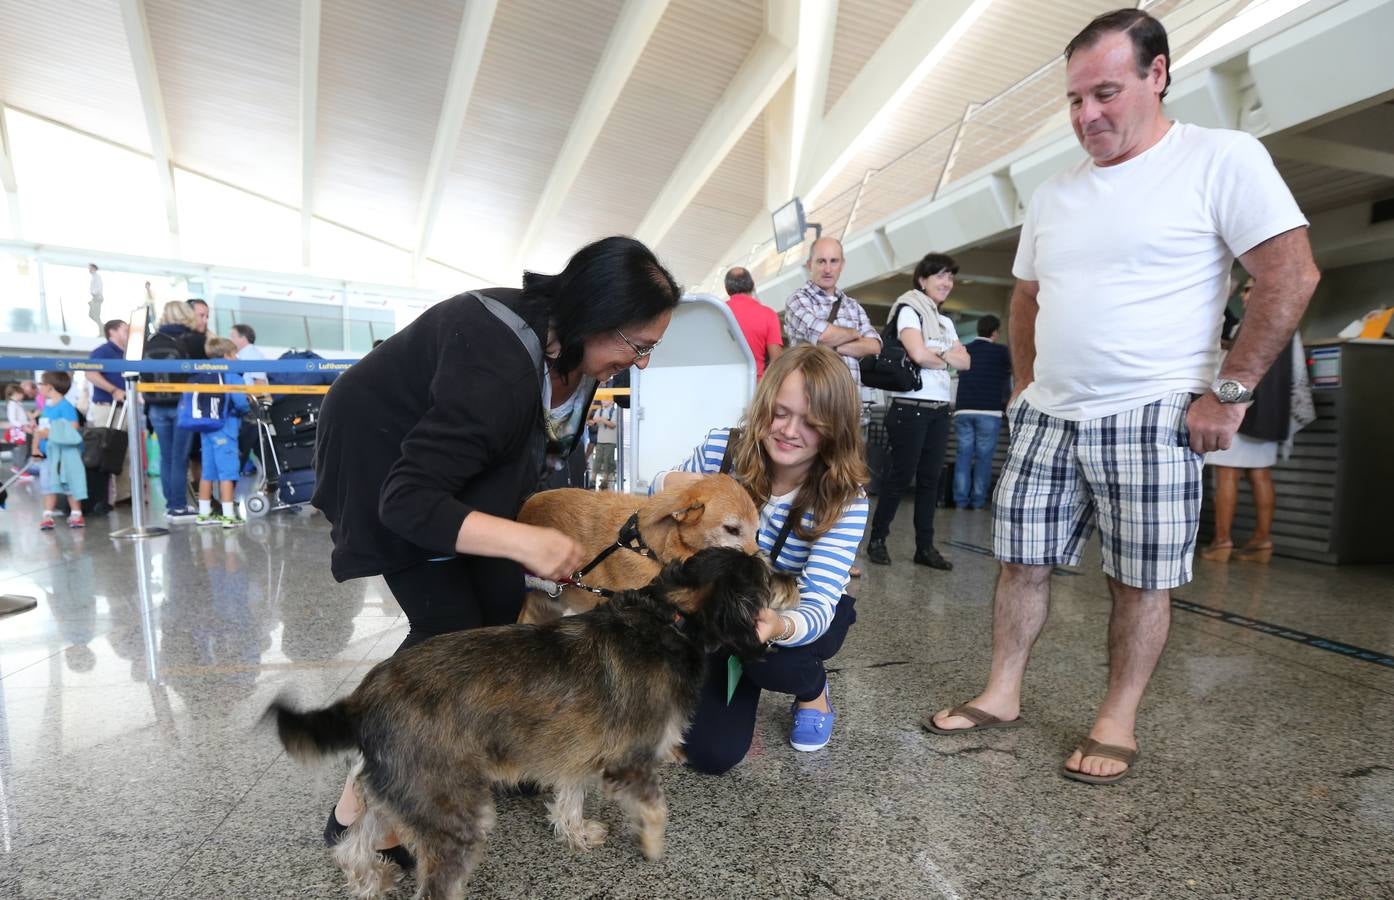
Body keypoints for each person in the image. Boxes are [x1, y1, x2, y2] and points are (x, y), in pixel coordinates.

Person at [925, 9, 1319, 786]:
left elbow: (1291, 274)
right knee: (1019, 562)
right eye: (1075, 100)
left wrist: (1230, 394)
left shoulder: (1220, 158)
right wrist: (1027, 385)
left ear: (1158, 74)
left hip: (1154, 409)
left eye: (1105, 92)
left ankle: (1117, 716)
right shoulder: (1053, 192)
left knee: (1139, 578)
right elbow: (1027, 297)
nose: (1087, 115)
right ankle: (1002, 692)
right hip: (1050, 413)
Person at [313, 235, 682, 862]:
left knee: (501, 607)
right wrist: (520, 538)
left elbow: (540, 450)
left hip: (453, 474)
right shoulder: (497, 360)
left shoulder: (578, 357)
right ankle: (360, 805)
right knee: (449, 628)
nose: (640, 363)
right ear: (595, 316)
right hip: (383, 460)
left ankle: (493, 748)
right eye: (637, 346)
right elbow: (408, 499)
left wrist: (542, 533)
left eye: (650, 350)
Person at [654, 345, 868, 772]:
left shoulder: (844, 500)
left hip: (789, 605)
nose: (789, 430)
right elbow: (661, 508)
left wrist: (778, 626)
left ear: (835, 429)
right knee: (709, 753)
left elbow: (819, 601)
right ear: (764, 404)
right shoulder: (723, 450)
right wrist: (667, 481)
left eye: (811, 422)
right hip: (722, 600)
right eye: (781, 412)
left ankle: (812, 690)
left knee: (779, 661)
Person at [865, 253, 970, 571]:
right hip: (910, 408)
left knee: (930, 480)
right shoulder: (909, 310)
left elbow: (966, 362)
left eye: (950, 277)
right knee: (899, 477)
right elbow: (917, 353)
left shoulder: (946, 321)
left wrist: (936, 354)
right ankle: (877, 540)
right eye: (940, 276)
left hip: (939, 410)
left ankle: (925, 547)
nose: (946, 283)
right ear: (922, 280)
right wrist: (944, 354)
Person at [1202, 279, 1316, 563]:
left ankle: (1222, 541)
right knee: (1260, 474)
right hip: (1270, 413)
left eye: (1250, 288)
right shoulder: (1287, 325)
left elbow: (1239, 371)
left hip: (1242, 410)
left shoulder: (1254, 323)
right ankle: (1261, 541)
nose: (1244, 294)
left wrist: (1223, 407)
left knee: (1226, 474)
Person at [784, 237, 881, 395]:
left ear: (842, 264)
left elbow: (874, 346)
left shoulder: (853, 306)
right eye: (821, 261)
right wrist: (854, 334)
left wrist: (833, 345)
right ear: (810, 265)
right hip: (813, 401)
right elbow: (822, 335)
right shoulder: (798, 300)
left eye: (834, 261)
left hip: (851, 405)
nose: (828, 269)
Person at [144, 300, 205, 519]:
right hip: (183, 404)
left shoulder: (150, 341)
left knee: (166, 457)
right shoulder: (190, 341)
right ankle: (179, 506)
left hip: (155, 406)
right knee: (180, 457)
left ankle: (172, 505)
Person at [952, 313, 1012, 510]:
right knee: (983, 458)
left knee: (963, 456)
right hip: (990, 411)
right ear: (995, 332)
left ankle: (960, 500)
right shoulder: (1002, 352)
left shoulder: (966, 350)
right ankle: (977, 501)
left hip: (963, 409)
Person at [193, 337, 250, 528]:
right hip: (226, 429)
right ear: (227, 355)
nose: (236, 358)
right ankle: (228, 515)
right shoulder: (231, 374)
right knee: (227, 472)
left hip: (205, 429)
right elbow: (240, 402)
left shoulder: (203, 371)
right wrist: (246, 408)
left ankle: (203, 513)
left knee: (207, 472)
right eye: (234, 354)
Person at [85, 319, 131, 516]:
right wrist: (113, 390)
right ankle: (103, 497)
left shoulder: (127, 354)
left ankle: (124, 494)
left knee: (126, 451)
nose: (128, 331)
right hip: (107, 406)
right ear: (112, 331)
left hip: (126, 407)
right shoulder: (102, 351)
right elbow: (90, 373)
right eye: (124, 329)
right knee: (105, 450)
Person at [33, 372, 87, 531]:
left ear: (50, 387)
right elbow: (40, 429)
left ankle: (76, 513)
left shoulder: (66, 406)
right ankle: (47, 514)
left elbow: (73, 428)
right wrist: (35, 448)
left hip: (65, 455)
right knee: (47, 484)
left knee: (70, 483)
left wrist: (50, 433)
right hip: (47, 454)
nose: (39, 387)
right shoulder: (46, 407)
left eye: (41, 384)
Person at [724, 267, 783, 379]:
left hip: (725, 384)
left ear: (727, 289)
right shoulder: (768, 314)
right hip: (755, 386)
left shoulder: (718, 313)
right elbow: (777, 362)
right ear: (752, 285)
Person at [587, 397, 619, 490]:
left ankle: (605, 482)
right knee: (597, 460)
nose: (603, 401)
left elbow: (613, 425)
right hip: (600, 440)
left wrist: (602, 420)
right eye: (602, 399)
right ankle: (592, 481)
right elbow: (594, 422)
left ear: (612, 401)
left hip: (610, 441)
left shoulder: (614, 411)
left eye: (606, 399)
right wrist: (591, 422)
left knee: (607, 461)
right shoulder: (599, 410)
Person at [87, 264, 104, 334]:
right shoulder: (94, 277)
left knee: (95, 315)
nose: (89, 270)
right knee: (91, 315)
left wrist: (94, 293)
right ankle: (102, 328)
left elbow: (98, 287)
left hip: (97, 297)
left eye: (90, 268)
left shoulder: (97, 277)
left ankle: (102, 330)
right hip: (95, 298)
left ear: (94, 269)